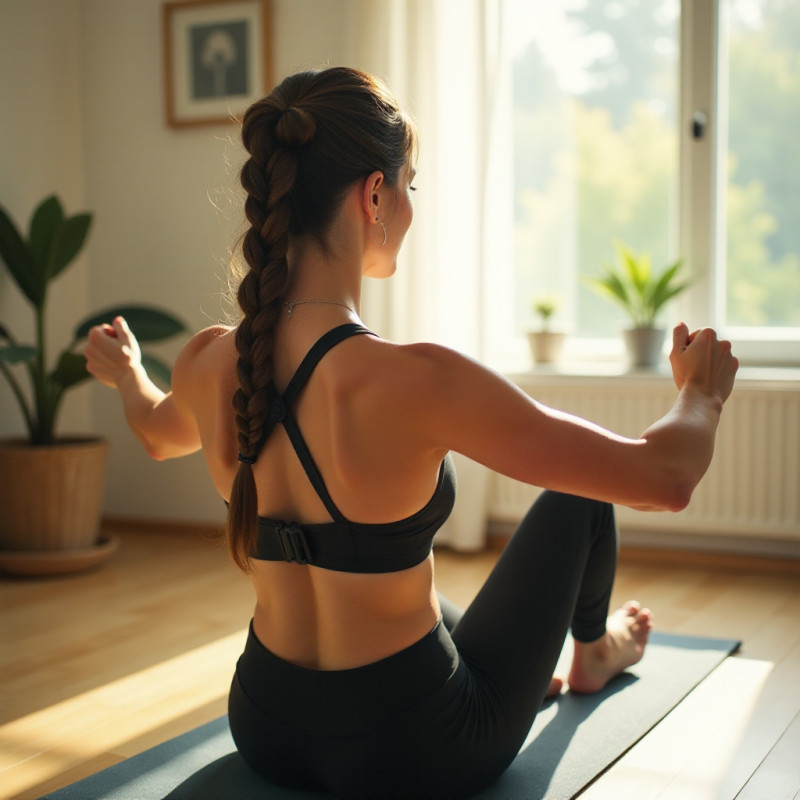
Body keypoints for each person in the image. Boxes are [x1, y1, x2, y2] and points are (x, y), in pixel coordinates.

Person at [84, 66, 738, 800]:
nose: (410, 204)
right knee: (576, 499)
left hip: (263, 719)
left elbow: (153, 431)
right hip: (410, 749)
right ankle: (593, 652)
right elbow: (663, 478)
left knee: (430, 604)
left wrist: (130, 373)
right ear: (373, 195)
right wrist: (700, 395)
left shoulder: (208, 359)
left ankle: (574, 653)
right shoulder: (419, 380)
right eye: (410, 185)